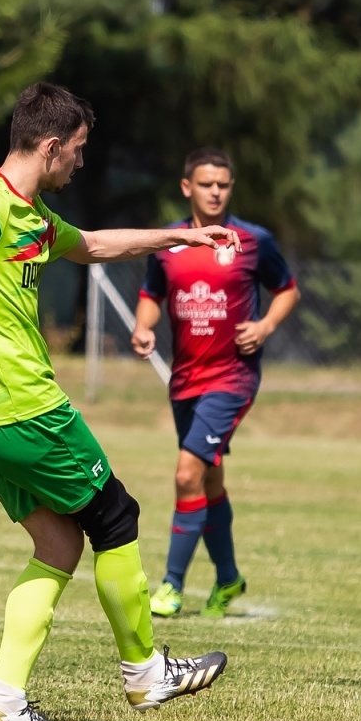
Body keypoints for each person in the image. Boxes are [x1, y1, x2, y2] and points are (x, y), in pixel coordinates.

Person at [0, 83, 239, 721]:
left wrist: (179, 238)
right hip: (23, 404)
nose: (80, 163)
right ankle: (146, 674)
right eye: (76, 152)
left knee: (57, 544)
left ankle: (4, 701)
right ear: (51, 147)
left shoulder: (32, 216)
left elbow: (94, 246)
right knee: (116, 516)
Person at [131, 147, 299, 619]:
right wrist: (144, 327)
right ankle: (228, 580)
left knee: (187, 474)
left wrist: (264, 326)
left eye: (223, 184)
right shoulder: (171, 243)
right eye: (206, 184)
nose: (215, 192)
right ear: (188, 187)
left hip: (232, 378)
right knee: (209, 478)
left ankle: (171, 586)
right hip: (184, 380)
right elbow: (150, 296)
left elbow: (287, 290)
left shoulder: (253, 240)